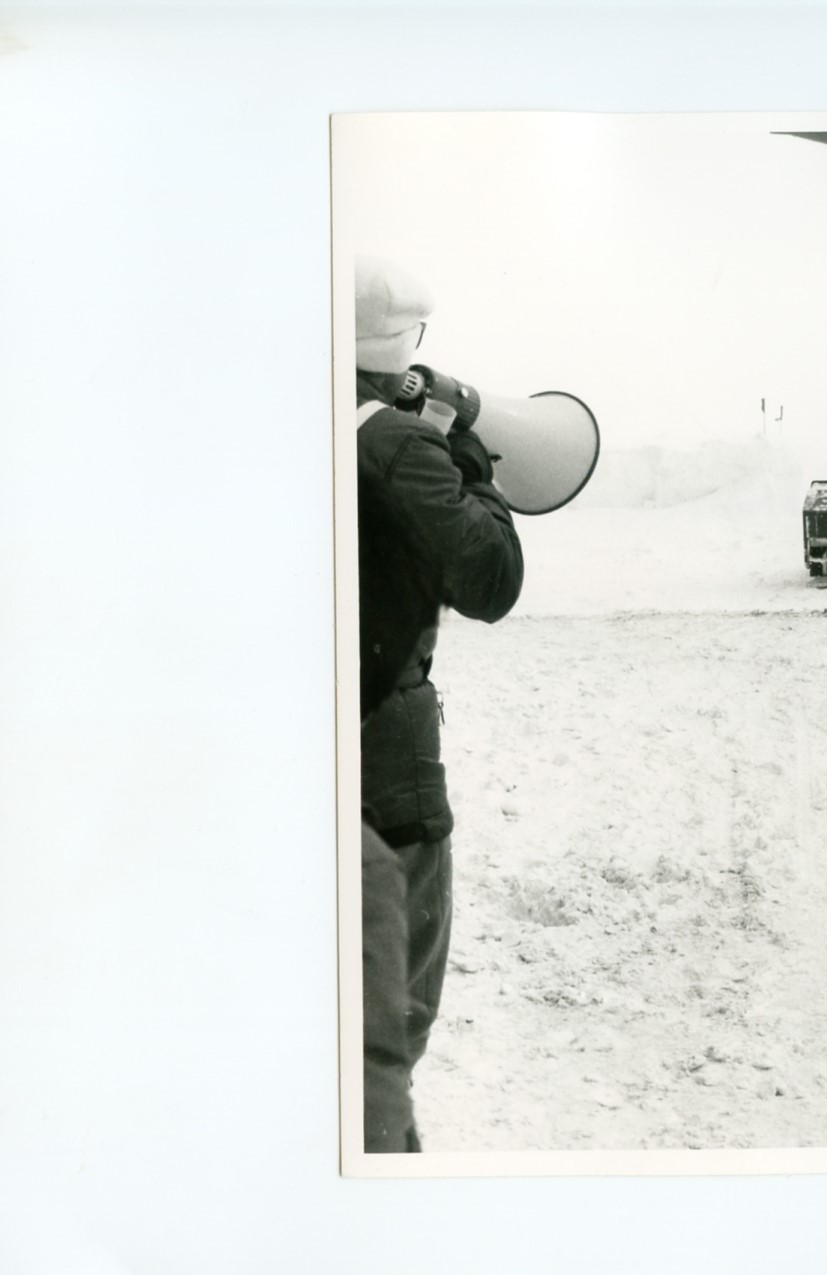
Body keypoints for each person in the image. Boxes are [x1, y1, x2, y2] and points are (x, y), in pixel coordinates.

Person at [355, 256, 525, 1150]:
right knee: (398, 1004)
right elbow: (491, 579)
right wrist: (463, 450)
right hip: (390, 754)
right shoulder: (397, 442)